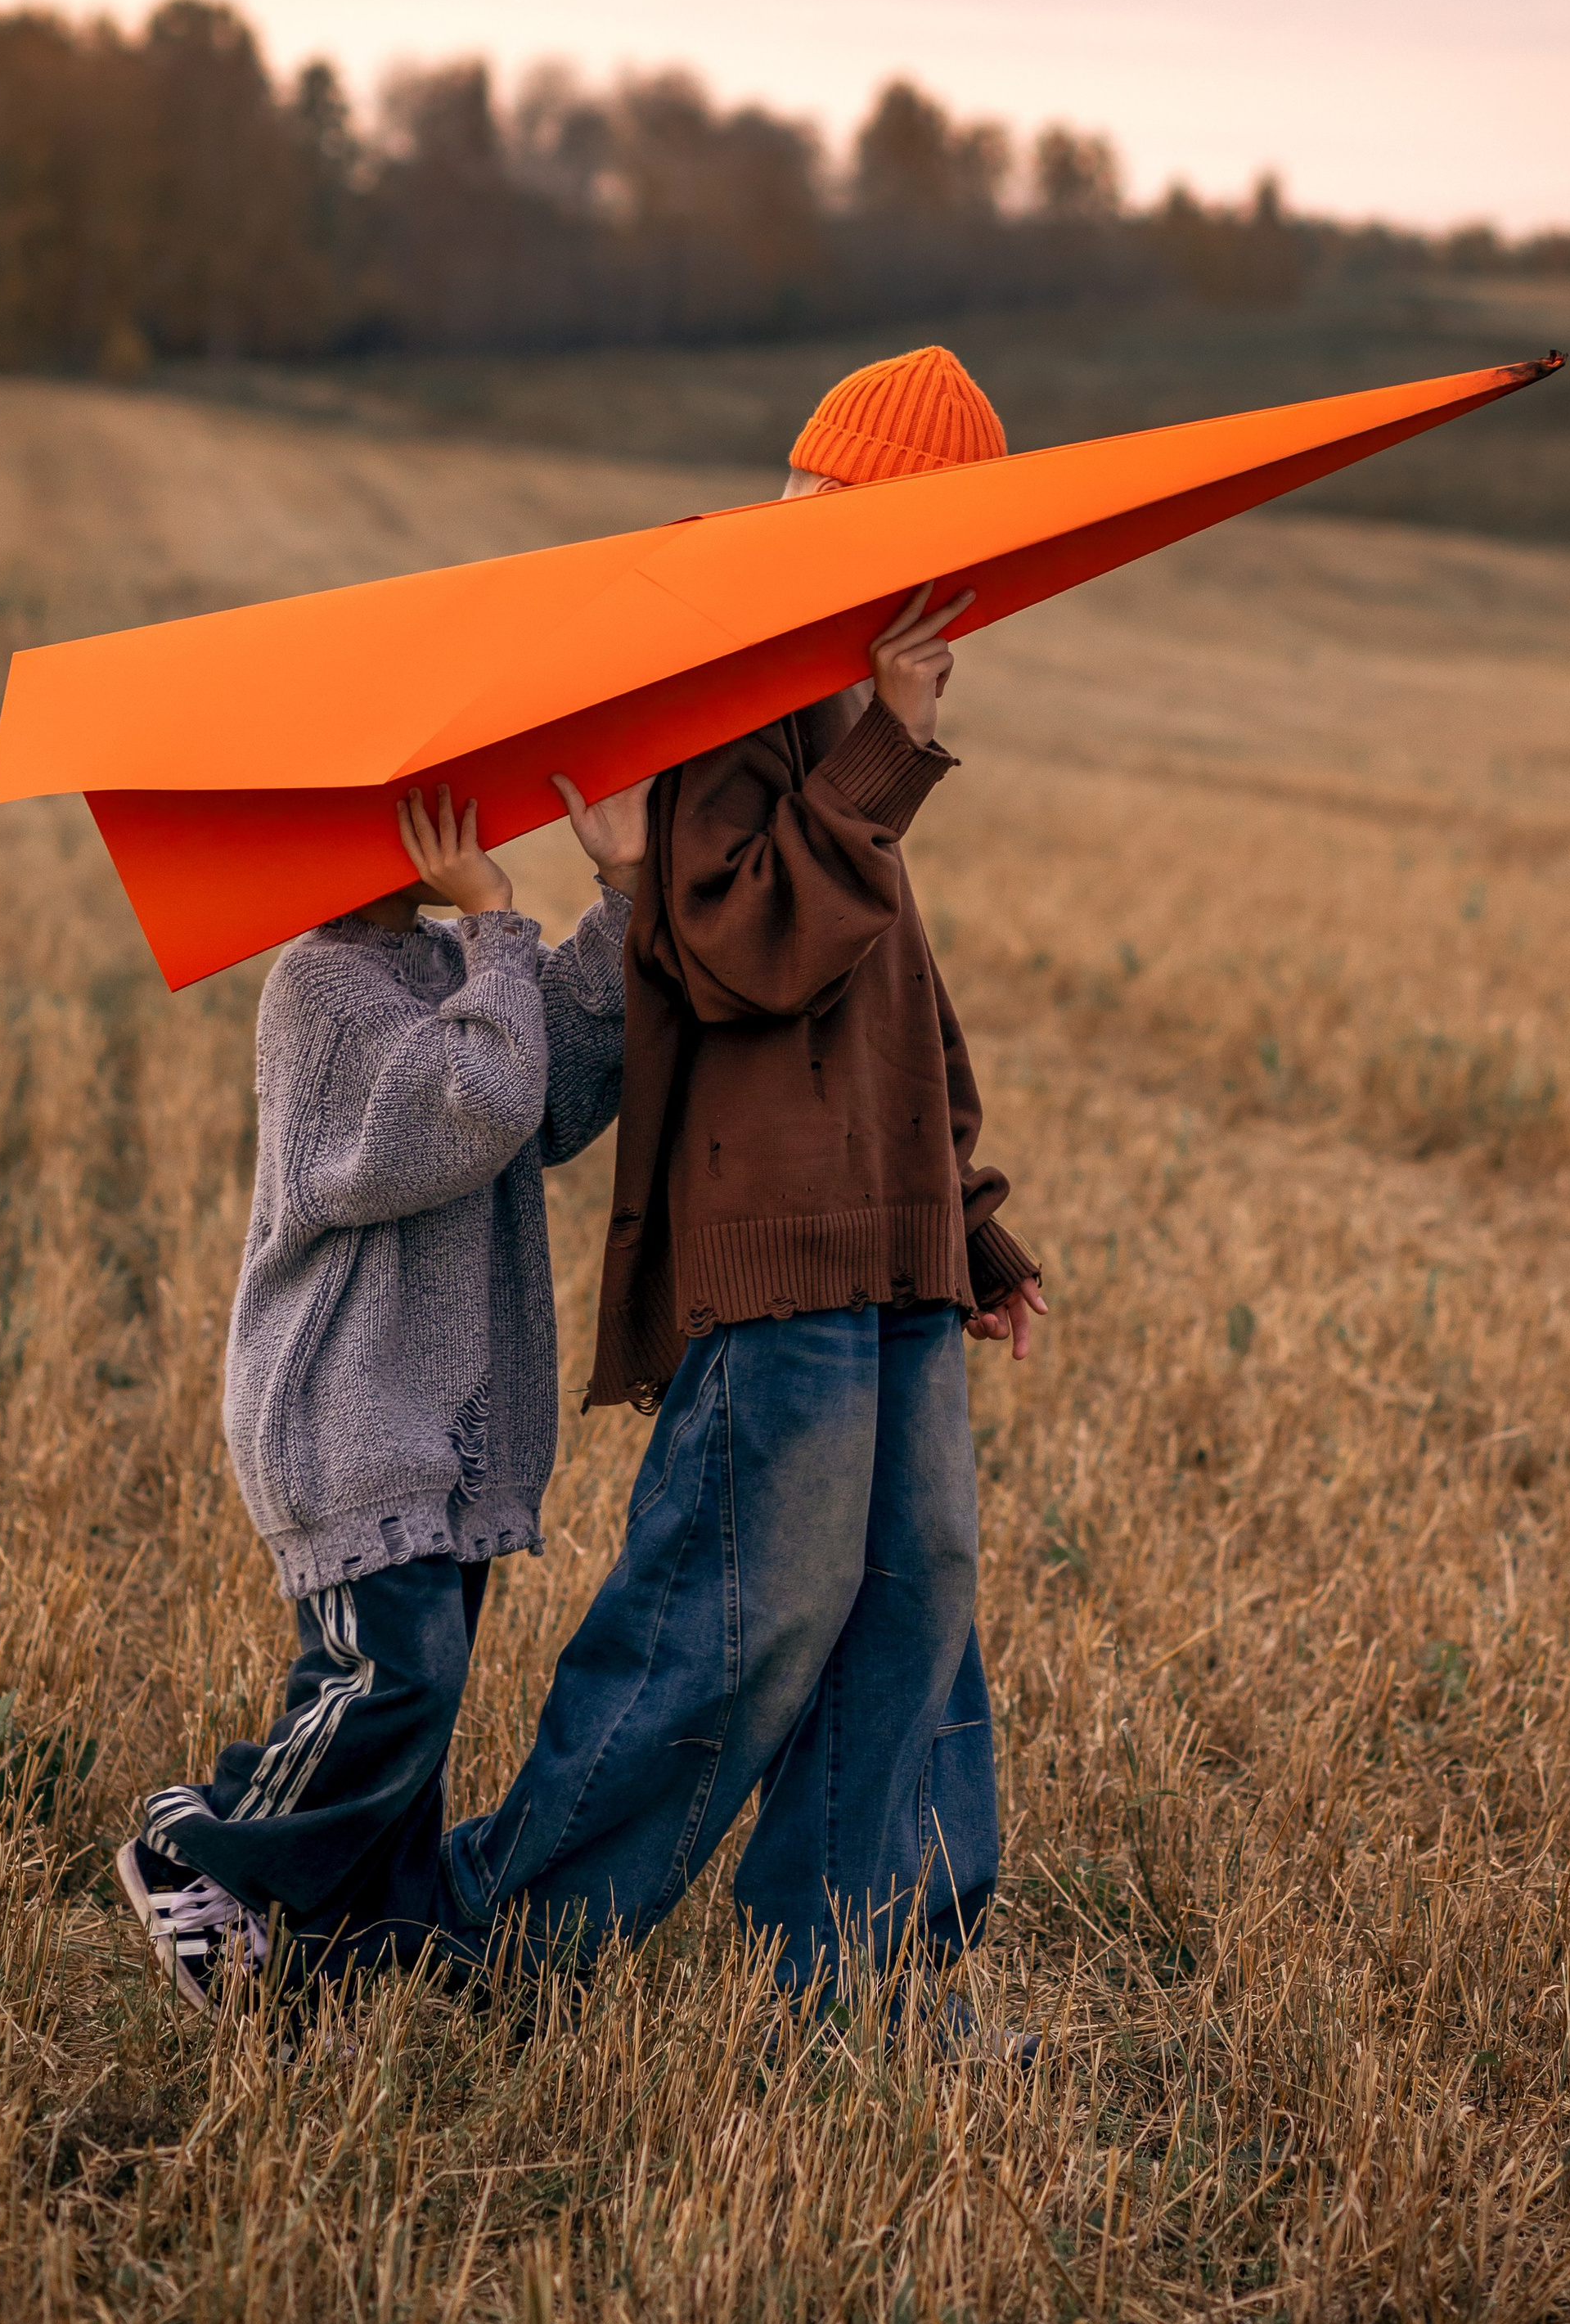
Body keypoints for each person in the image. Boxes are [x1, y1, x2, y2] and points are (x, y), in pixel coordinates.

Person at [436, 344, 1049, 2010]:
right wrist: (891, 756)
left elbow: (896, 1004)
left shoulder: (836, 698)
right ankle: (509, 1927)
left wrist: (970, 1218)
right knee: (739, 1613)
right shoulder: (713, 687)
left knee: (909, 1598)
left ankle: (862, 1970)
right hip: (769, 1240)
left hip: (894, 1241)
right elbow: (741, 954)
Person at [115, 768, 650, 2010]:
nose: (468, 830)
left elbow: (554, 1086)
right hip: (346, 1416)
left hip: (437, 1421)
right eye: (438, 816)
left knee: (426, 1697)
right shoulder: (320, 990)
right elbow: (480, 1096)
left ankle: (363, 1953)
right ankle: (199, 1843)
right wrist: (496, 919)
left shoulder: (420, 968)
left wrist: (619, 895)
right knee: (387, 1681)